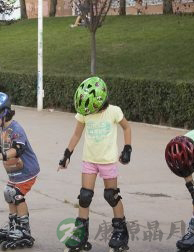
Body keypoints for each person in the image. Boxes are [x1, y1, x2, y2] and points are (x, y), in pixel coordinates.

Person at [58, 77, 132, 252]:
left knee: (111, 196)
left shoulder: (114, 111)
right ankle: (81, 235)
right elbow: (76, 135)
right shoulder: (85, 112)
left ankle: (120, 233)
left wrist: (127, 148)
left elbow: (127, 128)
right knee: (84, 196)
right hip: (89, 160)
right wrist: (67, 154)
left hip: (108, 162)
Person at [0, 92, 40, 250]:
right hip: (14, 172)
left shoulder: (16, 128)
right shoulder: (2, 130)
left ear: (3, 113)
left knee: (16, 195)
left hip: (27, 170)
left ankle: (24, 230)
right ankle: (13, 225)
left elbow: (17, 149)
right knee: (8, 193)